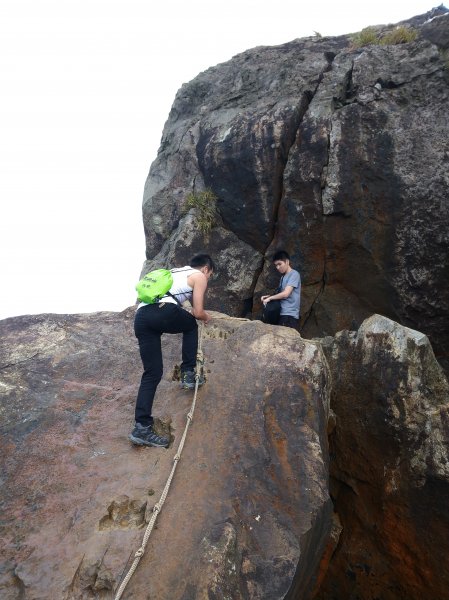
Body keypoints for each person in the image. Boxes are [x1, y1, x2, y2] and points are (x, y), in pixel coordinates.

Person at [129, 253, 215, 448]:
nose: (207, 278)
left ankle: (141, 427)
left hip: (141, 317)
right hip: (162, 311)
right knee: (191, 325)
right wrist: (207, 318)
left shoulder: (173, 272)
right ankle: (188, 374)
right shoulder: (199, 276)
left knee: (152, 373)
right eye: (210, 275)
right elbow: (198, 312)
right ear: (206, 269)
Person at [261, 250, 301, 329]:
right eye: (276, 265)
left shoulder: (294, 274)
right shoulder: (283, 277)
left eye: (280, 264)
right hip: (281, 314)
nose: (278, 267)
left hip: (289, 316)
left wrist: (270, 298)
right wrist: (268, 297)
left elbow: (286, 294)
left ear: (287, 262)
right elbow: (280, 293)